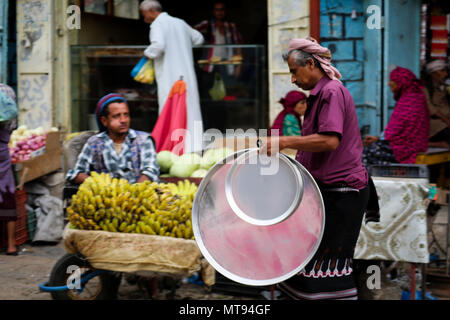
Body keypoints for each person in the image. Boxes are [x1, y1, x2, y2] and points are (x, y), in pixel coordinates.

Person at [262, 37, 370, 300]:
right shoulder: (320, 95)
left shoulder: (332, 92)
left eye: (294, 72)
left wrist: (284, 141)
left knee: (329, 270)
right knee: (309, 267)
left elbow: (329, 140)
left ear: (311, 64)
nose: (293, 80)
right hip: (326, 191)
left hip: (342, 192)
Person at [140, 0, 205, 153]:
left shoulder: (157, 25)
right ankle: (194, 148)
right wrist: (183, 44)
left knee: (170, 109)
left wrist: (145, 54)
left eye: (144, 15)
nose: (145, 19)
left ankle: (173, 148)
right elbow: (199, 39)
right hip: (187, 75)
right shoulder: (180, 23)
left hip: (170, 76)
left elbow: (158, 46)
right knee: (190, 109)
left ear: (151, 11)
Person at [66, 93, 160, 185]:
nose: (123, 120)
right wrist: (99, 185)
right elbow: (76, 173)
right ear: (104, 121)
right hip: (104, 197)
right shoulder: (94, 143)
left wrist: (133, 192)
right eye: (116, 116)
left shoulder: (143, 140)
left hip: (137, 197)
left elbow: (150, 171)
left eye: (126, 115)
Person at [362, 67, 430, 168]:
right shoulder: (413, 96)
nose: (389, 83)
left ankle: (374, 181)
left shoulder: (409, 99)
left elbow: (398, 127)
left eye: (392, 80)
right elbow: (399, 129)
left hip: (408, 145)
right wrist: (378, 138)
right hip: (411, 142)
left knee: (369, 152)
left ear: (401, 81)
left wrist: (380, 139)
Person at [195, 1, 243, 74]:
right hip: (209, 63)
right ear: (213, 11)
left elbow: (238, 45)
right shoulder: (207, 24)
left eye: (222, 10)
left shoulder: (231, 26)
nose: (219, 12)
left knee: (227, 85)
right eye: (217, 10)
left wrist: (238, 65)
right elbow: (192, 31)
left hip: (226, 63)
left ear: (225, 11)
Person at [0, 84, 19, 256]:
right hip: (3, 153)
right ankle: (12, 245)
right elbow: (13, 125)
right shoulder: (8, 92)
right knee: (7, 195)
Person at [423, 59, 450, 148]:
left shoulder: (443, 87)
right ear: (433, 73)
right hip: (434, 123)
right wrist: (447, 120)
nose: (445, 74)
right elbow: (430, 108)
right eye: (442, 71)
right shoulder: (424, 88)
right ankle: (438, 144)